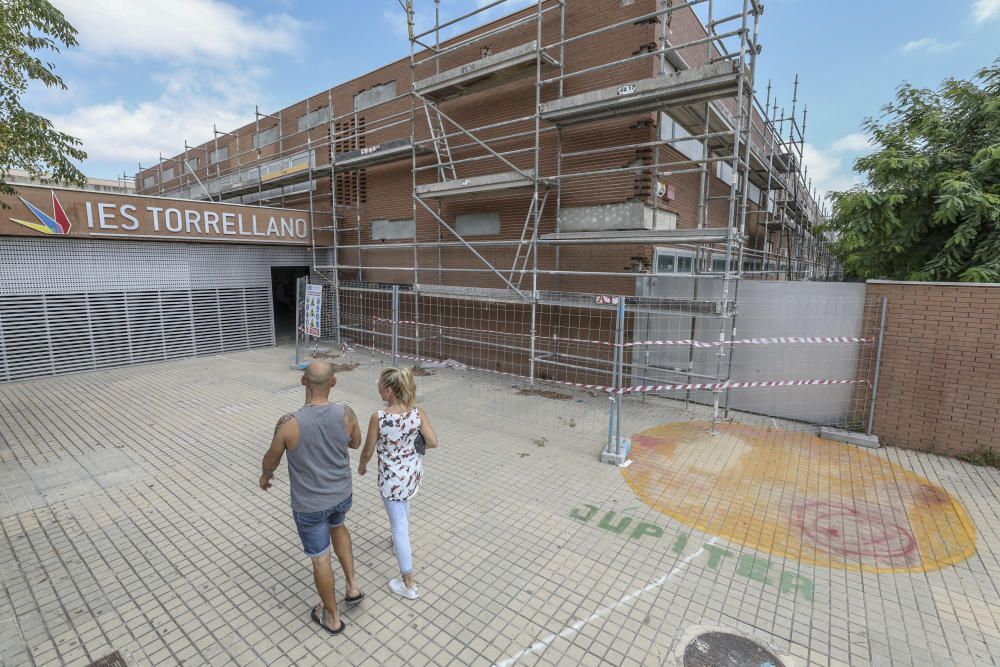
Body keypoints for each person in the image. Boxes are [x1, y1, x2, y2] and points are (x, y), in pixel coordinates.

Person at [259, 360, 364, 636]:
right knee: (338, 527)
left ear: (303, 382)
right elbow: (355, 443)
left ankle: (332, 618)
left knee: (320, 558)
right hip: (341, 495)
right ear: (333, 383)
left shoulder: (288, 423)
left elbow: (271, 459)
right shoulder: (346, 413)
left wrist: (265, 476)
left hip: (310, 505)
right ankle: (352, 586)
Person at [358, 367, 438, 600]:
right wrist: (413, 447)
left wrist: (362, 466)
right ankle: (396, 543)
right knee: (402, 516)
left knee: (400, 529)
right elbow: (433, 442)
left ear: (389, 390)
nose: (377, 387)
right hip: (412, 477)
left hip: (390, 482)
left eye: (380, 384)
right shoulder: (417, 413)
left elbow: (368, 450)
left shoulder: (379, 417)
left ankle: (408, 584)